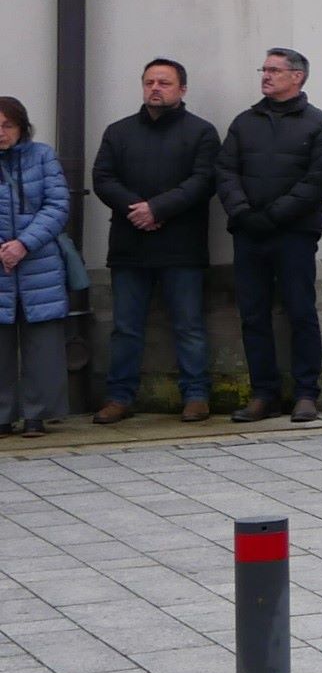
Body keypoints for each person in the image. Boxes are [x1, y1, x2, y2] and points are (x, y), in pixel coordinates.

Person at [90, 58, 222, 423]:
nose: (155, 88)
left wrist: (158, 209)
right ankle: (119, 397)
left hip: (182, 246)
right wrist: (138, 210)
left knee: (189, 325)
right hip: (130, 245)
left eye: (164, 83)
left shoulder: (201, 132)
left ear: (182, 89)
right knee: (126, 328)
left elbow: (202, 181)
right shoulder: (118, 132)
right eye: (149, 82)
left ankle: (196, 395)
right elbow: (103, 177)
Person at [218, 48, 322, 424]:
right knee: (253, 315)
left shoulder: (318, 124)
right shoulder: (244, 122)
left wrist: (275, 214)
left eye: (274, 70)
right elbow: (225, 171)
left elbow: (321, 179)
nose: (266, 75)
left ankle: (306, 393)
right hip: (249, 233)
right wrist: (242, 212)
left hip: (294, 234)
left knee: (301, 312)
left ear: (297, 77)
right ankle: (263, 393)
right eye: (264, 69)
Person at [0, 97, 75, 436]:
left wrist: (23, 243)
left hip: (38, 262)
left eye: (7, 125)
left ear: (21, 127)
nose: (1, 133)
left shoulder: (42, 155)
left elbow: (58, 205)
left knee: (42, 343)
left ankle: (37, 414)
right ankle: (2, 415)